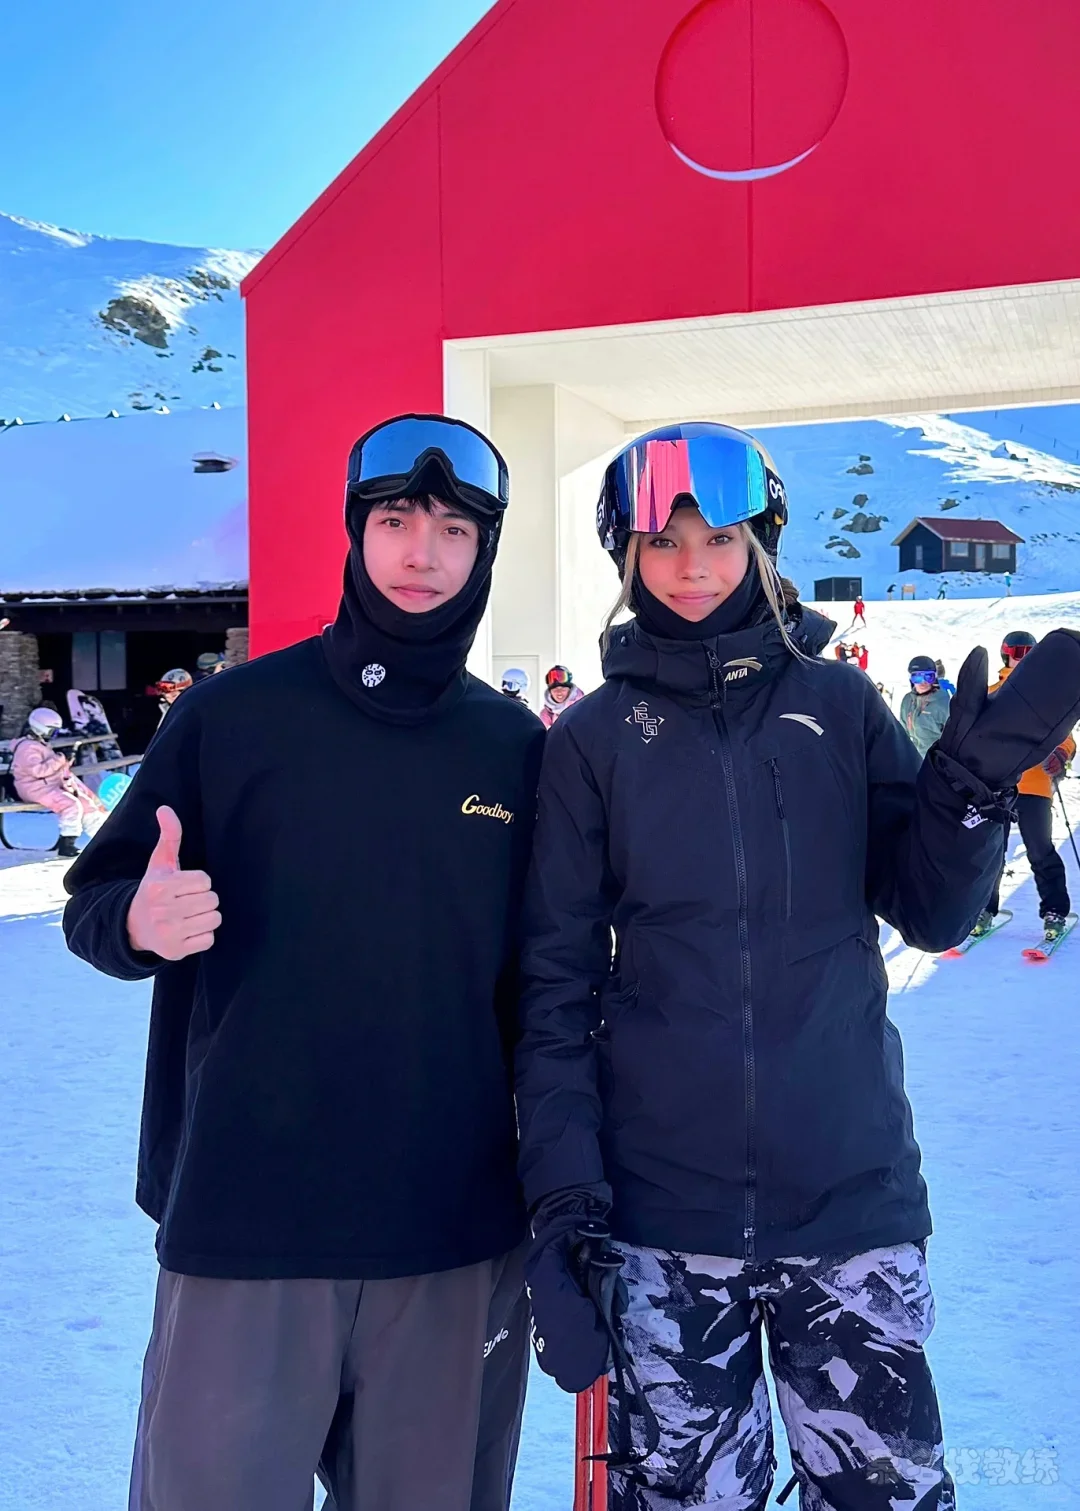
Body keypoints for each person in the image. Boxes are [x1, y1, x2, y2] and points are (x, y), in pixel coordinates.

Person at [513, 419, 1080, 1511]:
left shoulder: (839, 705)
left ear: (761, 544)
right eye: (662, 540)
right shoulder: (590, 741)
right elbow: (554, 989)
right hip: (664, 1224)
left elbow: (932, 912)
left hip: (849, 1203)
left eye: (719, 537)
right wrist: (565, 1206)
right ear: (625, 554)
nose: (691, 564)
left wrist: (966, 795)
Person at [63, 414, 545, 1511]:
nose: (422, 552)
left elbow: (545, 993)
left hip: (451, 1237)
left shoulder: (513, 748)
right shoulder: (233, 718)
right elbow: (96, 900)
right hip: (249, 1224)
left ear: (484, 551)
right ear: (355, 533)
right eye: (396, 520)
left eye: (454, 530)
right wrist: (139, 919)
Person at [969, 631, 1075, 946]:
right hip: (996, 785)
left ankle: (1055, 911)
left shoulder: (1047, 695)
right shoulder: (991, 693)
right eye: (1017, 652)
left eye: (1029, 652)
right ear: (1006, 655)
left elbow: (1066, 735)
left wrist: (1061, 754)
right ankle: (983, 909)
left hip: (1034, 784)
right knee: (991, 852)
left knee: (1040, 849)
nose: (1023, 657)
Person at [11, 707, 107, 858]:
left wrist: (67, 759)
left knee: (86, 803)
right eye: (52, 732)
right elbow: (38, 771)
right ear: (40, 728)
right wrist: (60, 758)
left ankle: (103, 839)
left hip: (50, 785)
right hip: (34, 788)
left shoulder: (39, 744)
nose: (53, 736)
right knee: (70, 804)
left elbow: (54, 769)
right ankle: (67, 844)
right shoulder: (27, 748)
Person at [900, 656, 952, 758]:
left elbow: (952, 739)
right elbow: (902, 733)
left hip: (934, 761)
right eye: (917, 678)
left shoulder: (943, 704)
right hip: (913, 759)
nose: (923, 682)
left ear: (935, 678)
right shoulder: (907, 701)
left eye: (928, 677)